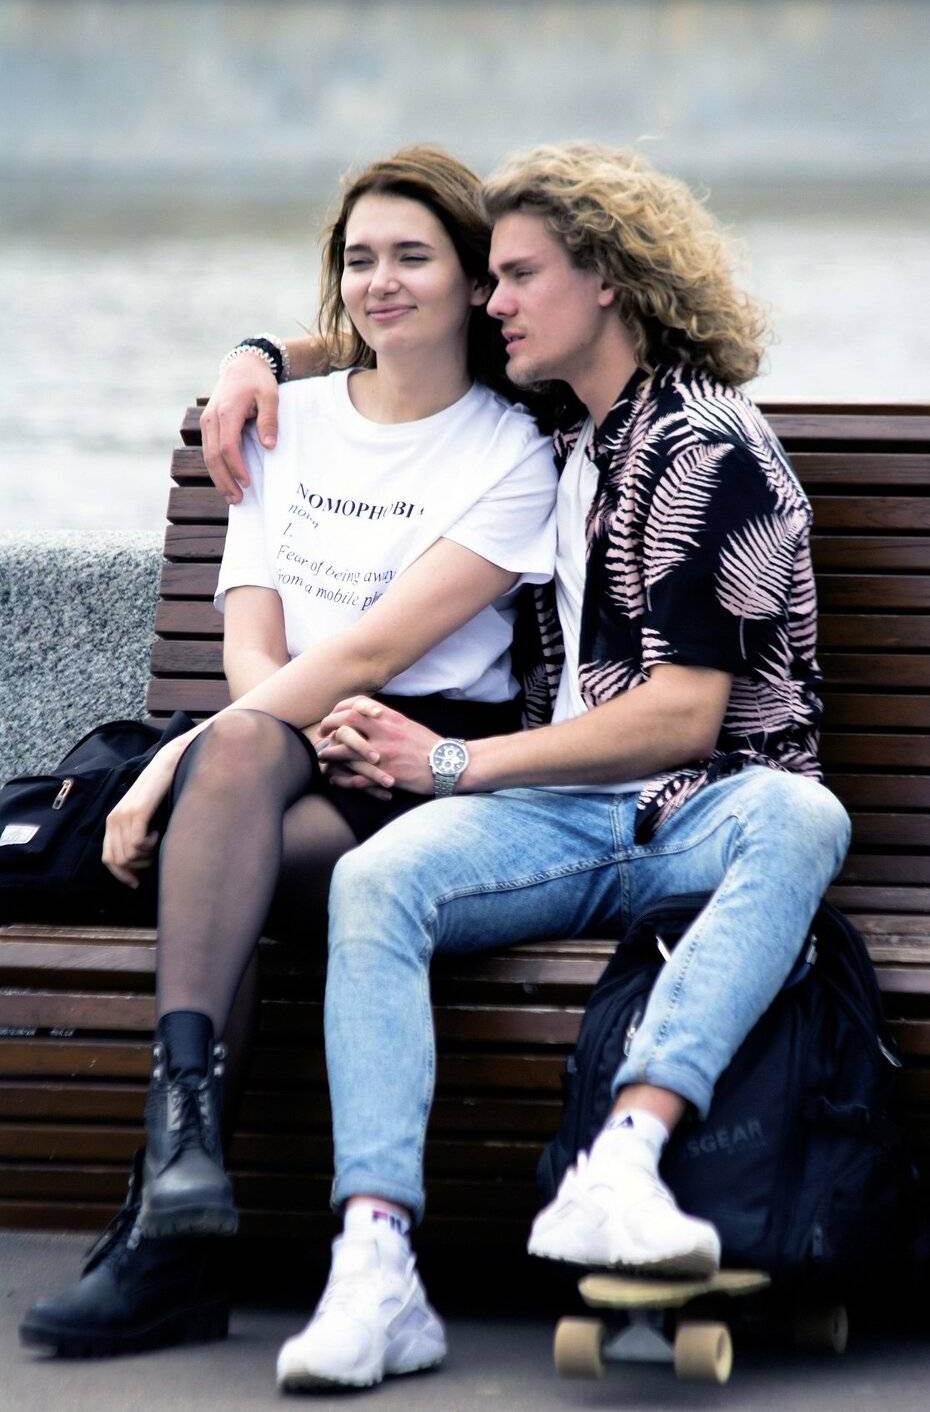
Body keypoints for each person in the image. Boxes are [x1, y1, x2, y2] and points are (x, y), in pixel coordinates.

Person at [193, 142, 851, 1394]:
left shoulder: (706, 445)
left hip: (699, 811)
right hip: (558, 818)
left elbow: (683, 720)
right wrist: (256, 356)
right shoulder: (565, 418)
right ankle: (375, 1264)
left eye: (519, 278)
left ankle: (627, 1159)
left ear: (609, 279)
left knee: (803, 820)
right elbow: (395, 325)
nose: (492, 304)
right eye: (490, 278)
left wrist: (451, 761)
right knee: (374, 883)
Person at [19, 145, 557, 1361]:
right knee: (239, 782)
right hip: (276, 740)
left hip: (411, 762)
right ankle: (181, 1170)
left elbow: (376, 649)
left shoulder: (512, 452)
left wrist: (178, 760)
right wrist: (246, 736)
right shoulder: (284, 425)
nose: (381, 282)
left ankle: (166, 1238)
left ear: (475, 280)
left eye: (413, 256)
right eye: (359, 259)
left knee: (222, 807)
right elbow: (254, 646)